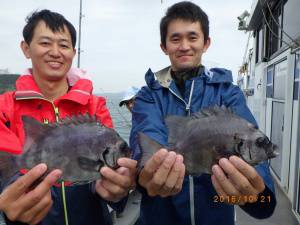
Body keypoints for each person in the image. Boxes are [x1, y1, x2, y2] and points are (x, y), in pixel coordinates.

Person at [130, 2, 276, 225]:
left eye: (193, 37)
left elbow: (250, 137)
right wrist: (144, 175)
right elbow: (145, 145)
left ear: (206, 43)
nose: (184, 46)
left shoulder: (229, 93)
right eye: (175, 39)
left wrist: (259, 193)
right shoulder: (149, 95)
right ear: (164, 46)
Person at [0, 10, 137, 225]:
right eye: (45, 43)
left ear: (73, 52)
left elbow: (106, 177)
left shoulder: (95, 106)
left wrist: (119, 187)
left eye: (63, 45)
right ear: (26, 48)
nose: (55, 52)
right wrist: (13, 196)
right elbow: (5, 172)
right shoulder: (4, 108)